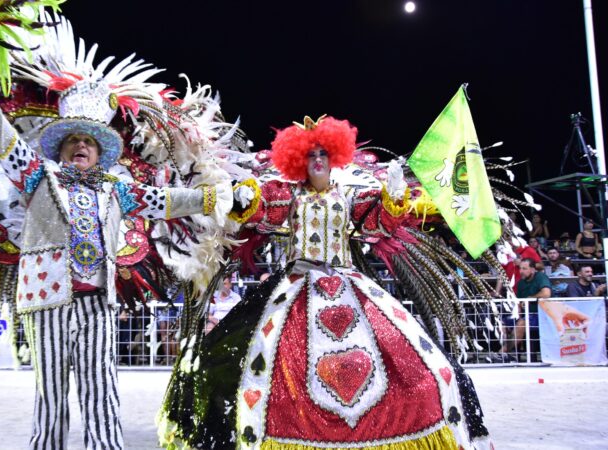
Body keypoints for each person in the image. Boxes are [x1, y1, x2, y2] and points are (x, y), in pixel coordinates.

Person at [158, 116, 492, 449]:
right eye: (310, 155)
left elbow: (377, 225)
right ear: (298, 161)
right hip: (296, 284)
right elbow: (261, 210)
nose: (317, 160)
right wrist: (246, 200)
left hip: (347, 282)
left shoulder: (349, 196)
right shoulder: (286, 195)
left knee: (412, 360)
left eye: (324, 155)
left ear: (335, 159)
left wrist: (393, 197)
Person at [0, 61, 231, 449]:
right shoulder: (39, 176)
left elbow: (162, 201)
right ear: (61, 148)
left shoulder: (115, 189)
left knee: (101, 388)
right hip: (47, 302)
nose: (80, 146)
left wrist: (215, 198)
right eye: (73, 140)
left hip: (97, 305)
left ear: (98, 153)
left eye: (88, 142)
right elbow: (6, 143)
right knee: (51, 392)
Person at [504, 258, 552, 356]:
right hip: (525, 315)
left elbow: (546, 293)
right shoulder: (521, 283)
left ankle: (502, 353)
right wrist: (517, 311)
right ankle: (510, 355)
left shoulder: (541, 277)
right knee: (502, 323)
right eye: (520, 268)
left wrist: (530, 298)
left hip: (541, 315)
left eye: (524, 269)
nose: (521, 271)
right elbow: (518, 303)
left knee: (522, 323)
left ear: (533, 269)